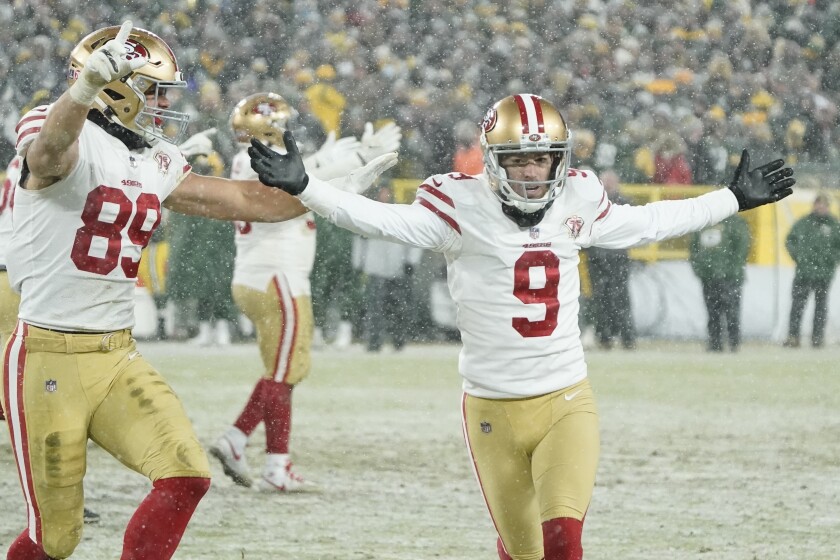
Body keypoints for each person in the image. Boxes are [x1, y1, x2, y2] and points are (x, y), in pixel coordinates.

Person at [247, 93, 795, 560]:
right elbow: (384, 221)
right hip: (491, 409)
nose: (534, 172)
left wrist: (732, 198)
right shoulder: (459, 206)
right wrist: (306, 189)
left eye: (543, 159)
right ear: (491, 162)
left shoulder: (579, 197)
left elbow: (650, 221)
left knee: (563, 543)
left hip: (565, 402)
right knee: (523, 553)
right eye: (519, 160)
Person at [0, 22, 390, 559]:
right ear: (115, 88)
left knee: (185, 474)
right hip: (47, 354)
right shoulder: (58, 123)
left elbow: (250, 202)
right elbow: (47, 158)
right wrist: (83, 90)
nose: (164, 106)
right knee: (57, 538)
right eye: (155, 92)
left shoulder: (155, 158)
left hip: (116, 355)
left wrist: (328, 194)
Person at [210, 92, 401, 491]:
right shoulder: (254, 161)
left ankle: (237, 440)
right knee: (284, 373)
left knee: (281, 372)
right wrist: (356, 160)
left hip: (261, 275)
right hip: (276, 276)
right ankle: (275, 465)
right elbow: (302, 180)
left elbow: (302, 170)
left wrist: (333, 158)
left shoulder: (246, 158)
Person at [2, 156, 103, 525]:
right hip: (23, 281)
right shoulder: (63, 161)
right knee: (42, 396)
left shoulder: (26, 161)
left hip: (12, 272)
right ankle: (55, 497)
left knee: (18, 392)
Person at [352, 185, 423, 352]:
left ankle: (398, 341)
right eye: (381, 192)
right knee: (375, 308)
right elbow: (360, 240)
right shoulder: (368, 215)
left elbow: (413, 239)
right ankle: (374, 342)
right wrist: (359, 264)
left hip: (397, 268)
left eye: (387, 192)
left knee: (398, 308)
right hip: (375, 268)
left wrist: (411, 261)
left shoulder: (400, 214)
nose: (384, 195)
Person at [584, 170, 636, 350]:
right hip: (603, 257)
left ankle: (625, 338)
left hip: (613, 257)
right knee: (603, 300)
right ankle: (607, 337)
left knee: (618, 299)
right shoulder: (597, 204)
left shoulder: (597, 204)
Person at [784, 192, 840, 348]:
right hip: (804, 273)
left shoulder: (834, 225)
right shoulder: (803, 223)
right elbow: (790, 240)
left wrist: (830, 260)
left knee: (820, 307)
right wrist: (800, 258)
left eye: (823, 204)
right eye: (818, 204)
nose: (820, 207)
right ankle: (793, 337)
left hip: (824, 274)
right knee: (797, 306)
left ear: (828, 207)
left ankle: (817, 337)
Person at [689, 214, 751, 352]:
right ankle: (715, 342)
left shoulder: (735, 223)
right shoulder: (703, 222)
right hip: (709, 277)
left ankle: (733, 343)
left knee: (732, 311)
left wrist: (729, 271)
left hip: (730, 277)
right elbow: (693, 248)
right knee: (712, 312)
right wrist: (701, 270)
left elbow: (742, 248)